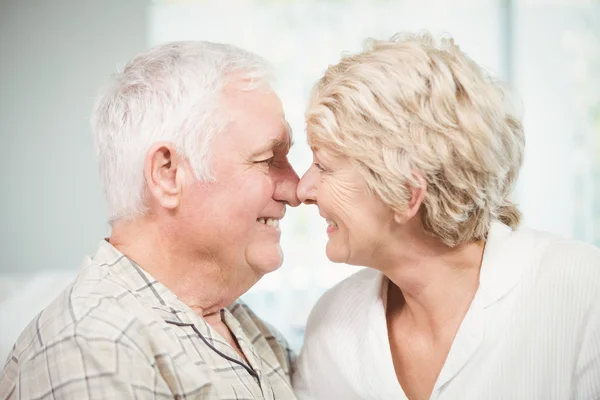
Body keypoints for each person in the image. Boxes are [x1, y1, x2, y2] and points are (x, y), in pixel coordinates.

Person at [292, 32, 600, 399]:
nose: (302, 190)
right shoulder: (331, 323)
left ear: (407, 193)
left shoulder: (584, 293)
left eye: (323, 167)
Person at [0, 41, 300, 399]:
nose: (296, 188)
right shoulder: (95, 346)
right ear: (168, 174)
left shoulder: (248, 329)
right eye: (268, 158)